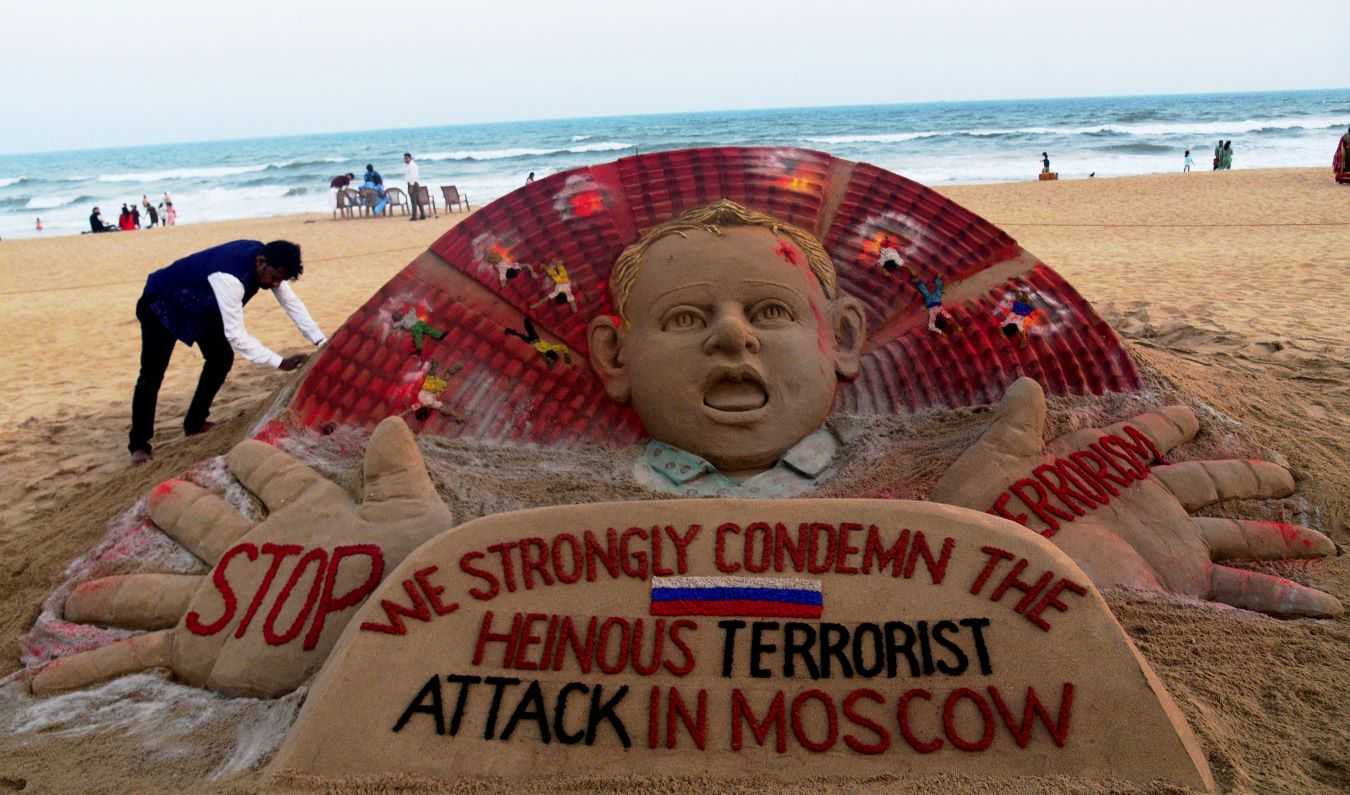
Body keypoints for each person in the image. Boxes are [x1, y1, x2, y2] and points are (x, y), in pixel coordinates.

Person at [128, 240, 327, 464]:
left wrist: (321, 342)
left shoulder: (270, 262)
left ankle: (195, 422)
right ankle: (138, 443)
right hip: (163, 302)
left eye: (279, 280)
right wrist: (279, 362)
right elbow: (236, 335)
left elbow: (292, 304)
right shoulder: (230, 278)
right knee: (152, 374)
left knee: (221, 358)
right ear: (261, 262)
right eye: (273, 278)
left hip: (202, 305)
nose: (274, 284)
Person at [404, 153, 425, 222]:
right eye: (404, 158)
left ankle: (414, 216)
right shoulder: (409, 165)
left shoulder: (412, 165)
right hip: (412, 184)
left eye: (406, 158)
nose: (405, 159)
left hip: (413, 184)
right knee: (418, 201)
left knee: (414, 201)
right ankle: (423, 215)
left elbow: (413, 176)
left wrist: (411, 186)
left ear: (410, 158)